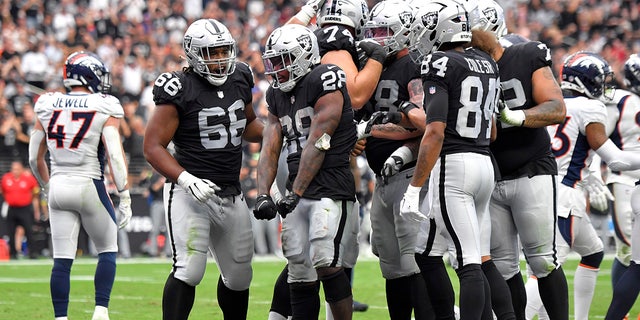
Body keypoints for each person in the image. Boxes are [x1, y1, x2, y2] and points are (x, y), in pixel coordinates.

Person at [143, 18, 263, 320]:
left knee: (239, 276)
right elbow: (152, 146)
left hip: (231, 192)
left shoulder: (240, 77)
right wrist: (184, 179)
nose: (220, 60)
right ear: (193, 55)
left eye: (224, 51)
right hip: (190, 193)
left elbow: (249, 125)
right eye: (211, 53)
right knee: (189, 269)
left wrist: (281, 131)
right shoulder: (179, 88)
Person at [466, 1, 570, 318]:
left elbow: (556, 107)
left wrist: (515, 116)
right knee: (503, 266)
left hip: (531, 169)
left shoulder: (525, 54)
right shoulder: (467, 64)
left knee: (542, 259)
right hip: (491, 174)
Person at [400, 0, 500, 319]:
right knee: (437, 252)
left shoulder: (440, 62)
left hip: (455, 167)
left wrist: (415, 187)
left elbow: (435, 131)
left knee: (468, 260)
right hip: (484, 161)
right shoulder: (487, 62)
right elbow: (493, 130)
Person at [256, 23, 358, 320]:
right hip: (297, 188)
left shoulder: (325, 78)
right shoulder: (276, 94)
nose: (277, 70)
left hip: (329, 183)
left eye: (283, 61)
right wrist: (263, 193)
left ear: (303, 56)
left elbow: (320, 140)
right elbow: (270, 145)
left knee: (326, 261)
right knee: (298, 267)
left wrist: (295, 191)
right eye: (273, 62)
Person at [28, 51, 133, 320]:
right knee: (108, 249)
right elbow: (115, 155)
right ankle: (100, 312)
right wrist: (125, 195)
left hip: (59, 183)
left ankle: (60, 317)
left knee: (61, 260)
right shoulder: (103, 104)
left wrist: (46, 186)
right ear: (88, 75)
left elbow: (33, 156)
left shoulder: (47, 102)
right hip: (89, 184)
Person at [358, 1, 433, 319]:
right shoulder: (375, 68)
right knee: (390, 264)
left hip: (408, 175)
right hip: (383, 179)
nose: (377, 39)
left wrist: (374, 131)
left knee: (413, 259)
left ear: (405, 32)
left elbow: (426, 123)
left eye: (383, 32)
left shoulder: (414, 66)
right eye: (372, 32)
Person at [604, 54, 640, 290]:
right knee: (628, 249)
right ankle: (621, 311)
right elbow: (597, 138)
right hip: (624, 178)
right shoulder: (618, 100)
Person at [0, 160, 40, 259]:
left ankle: (33, 253)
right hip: (12, 208)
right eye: (13, 169)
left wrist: (35, 208)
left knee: (29, 231)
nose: (15, 171)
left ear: (21, 169)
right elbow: (3, 192)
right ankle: (13, 253)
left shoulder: (28, 179)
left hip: (25, 208)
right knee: (11, 231)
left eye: (17, 169)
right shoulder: (6, 178)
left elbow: (35, 192)